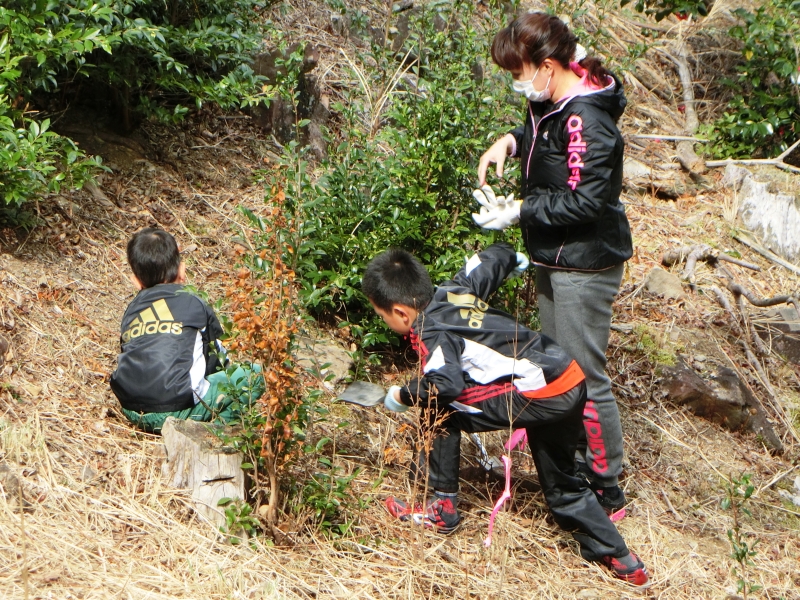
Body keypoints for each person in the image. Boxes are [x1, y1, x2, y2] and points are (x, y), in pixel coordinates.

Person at [361, 243, 648, 586]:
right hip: (567, 376)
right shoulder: (454, 290)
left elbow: (445, 386)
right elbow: (486, 261)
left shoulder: (431, 332)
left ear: (401, 312)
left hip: (539, 392)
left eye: (383, 316)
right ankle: (625, 560)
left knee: (439, 409)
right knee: (563, 485)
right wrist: (512, 258)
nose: (385, 321)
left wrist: (402, 394)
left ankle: (442, 509)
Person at [472, 12, 633, 513]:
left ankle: (607, 485)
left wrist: (520, 210)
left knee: (583, 374)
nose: (517, 84)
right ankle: (570, 461)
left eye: (518, 73)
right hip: (554, 256)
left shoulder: (589, 118)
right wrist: (513, 142)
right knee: (557, 367)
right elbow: (547, 138)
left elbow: (588, 200)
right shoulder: (555, 100)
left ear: (546, 66)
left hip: (584, 264)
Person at [111, 228, 262, 434]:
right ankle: (215, 432)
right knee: (255, 375)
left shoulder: (132, 309)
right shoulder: (193, 301)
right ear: (181, 271)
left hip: (132, 409)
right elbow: (216, 359)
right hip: (175, 406)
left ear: (135, 280)